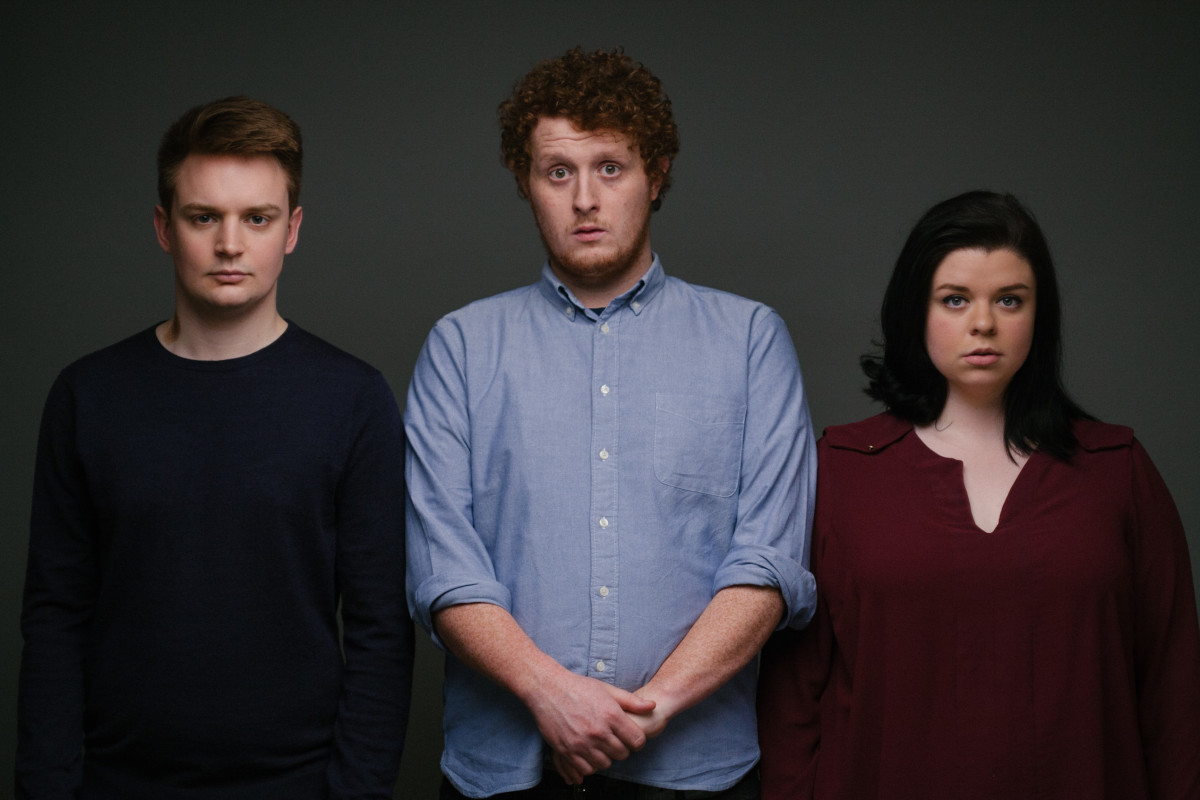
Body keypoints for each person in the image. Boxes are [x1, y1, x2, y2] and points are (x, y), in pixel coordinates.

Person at [405, 47, 817, 799]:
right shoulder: (460, 347)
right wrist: (551, 695)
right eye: (558, 172)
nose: (585, 199)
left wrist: (632, 716)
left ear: (655, 175)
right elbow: (444, 569)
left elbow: (767, 563)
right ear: (526, 183)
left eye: (611, 168)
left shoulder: (750, 341)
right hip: (506, 775)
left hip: (695, 774)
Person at [16, 96, 413, 800]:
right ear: (164, 228)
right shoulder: (88, 395)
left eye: (257, 218)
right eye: (204, 217)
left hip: (299, 785)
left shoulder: (353, 399)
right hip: (116, 782)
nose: (230, 244)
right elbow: (54, 616)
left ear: (291, 230)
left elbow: (382, 628)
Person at [756, 190, 1200, 798]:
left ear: (1040, 315)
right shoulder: (843, 468)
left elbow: (1174, 692)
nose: (983, 323)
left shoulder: (1116, 469)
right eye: (955, 299)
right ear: (916, 311)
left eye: (1010, 300)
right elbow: (792, 699)